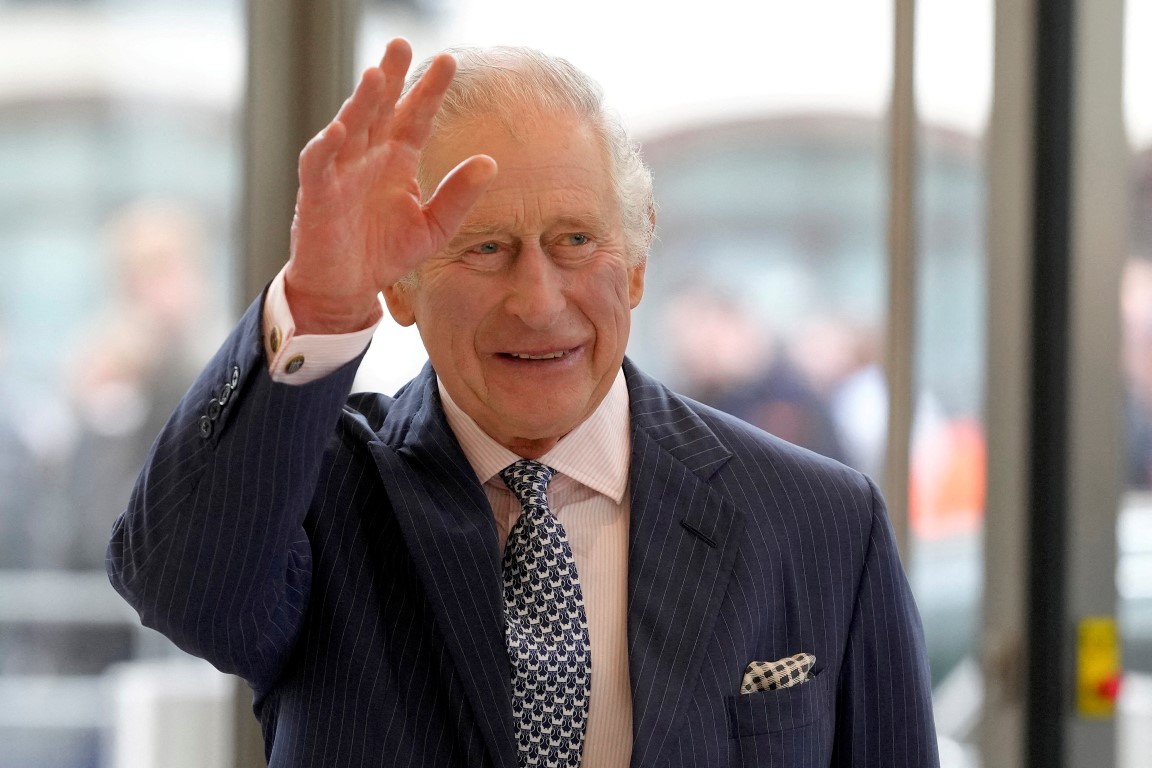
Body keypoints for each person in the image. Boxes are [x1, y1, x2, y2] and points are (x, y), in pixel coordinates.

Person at [106, 39, 939, 767]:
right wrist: (317, 304)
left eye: (576, 240)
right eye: (486, 248)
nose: (539, 301)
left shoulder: (819, 520)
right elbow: (182, 588)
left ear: (638, 259)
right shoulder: (323, 498)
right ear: (402, 283)